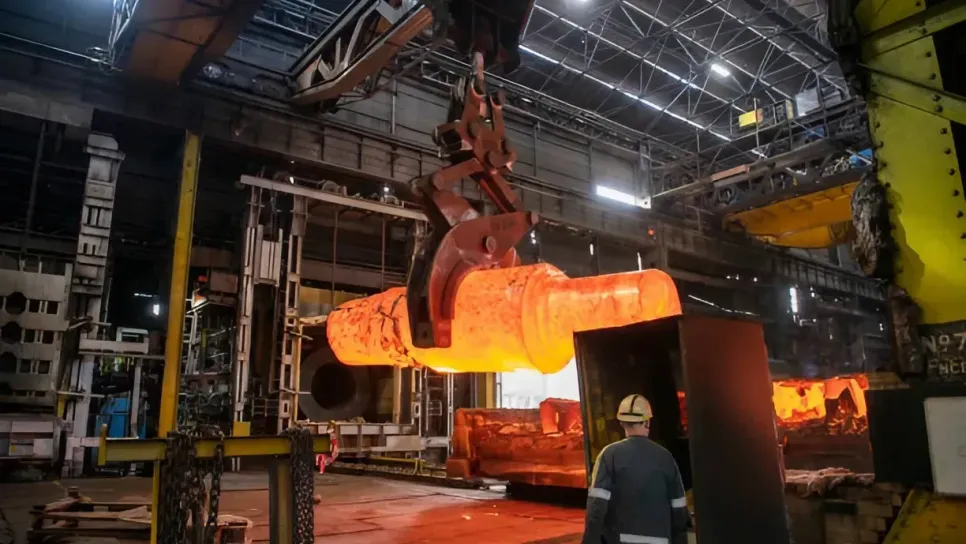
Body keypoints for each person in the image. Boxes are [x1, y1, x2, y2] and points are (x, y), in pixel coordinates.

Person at [582, 394, 690, 544]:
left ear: (621, 423)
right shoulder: (665, 458)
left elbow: (596, 507)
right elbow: (679, 508)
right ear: (647, 422)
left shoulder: (609, 455)